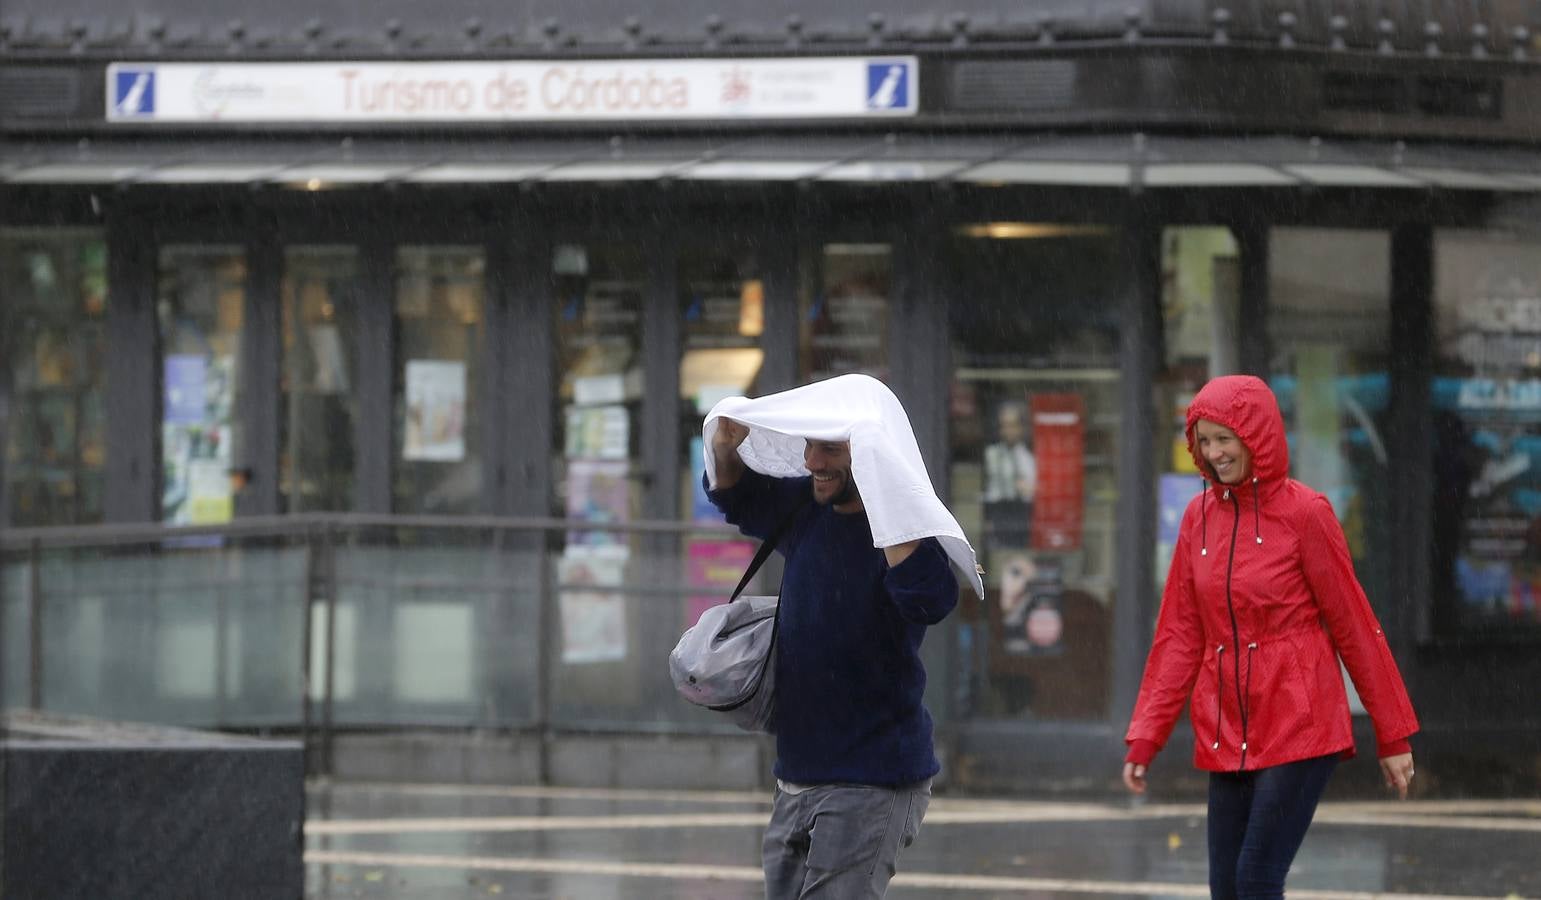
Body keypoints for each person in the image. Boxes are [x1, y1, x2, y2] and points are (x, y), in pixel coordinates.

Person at [1122, 374, 1418, 900]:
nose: (1213, 454)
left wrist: (1391, 734)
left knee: (1256, 880)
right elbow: (1180, 635)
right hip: (1225, 726)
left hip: (1298, 725)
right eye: (1204, 440)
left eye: (1224, 439)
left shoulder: (1307, 514)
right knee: (1226, 889)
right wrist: (1147, 734)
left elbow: (1354, 625)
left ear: (1255, 436)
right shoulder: (1198, 519)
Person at [704, 382, 965, 900]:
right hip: (798, 773)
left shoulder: (903, 532)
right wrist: (723, 445)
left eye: (832, 448)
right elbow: (739, 497)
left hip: (873, 779)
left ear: (869, 453)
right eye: (810, 445)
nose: (813, 460)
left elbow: (931, 600)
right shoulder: (806, 507)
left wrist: (888, 496)